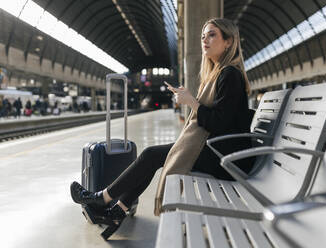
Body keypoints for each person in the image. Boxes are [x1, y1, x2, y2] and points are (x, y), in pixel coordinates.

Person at [70, 18, 255, 239]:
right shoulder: (219, 74)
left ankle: (104, 199)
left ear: (228, 42)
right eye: (203, 35)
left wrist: (192, 102)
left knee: (152, 155)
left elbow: (217, 123)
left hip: (227, 157)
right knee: (154, 156)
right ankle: (116, 208)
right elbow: (217, 121)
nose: (205, 39)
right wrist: (191, 100)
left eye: (212, 34)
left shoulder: (230, 75)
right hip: (220, 149)